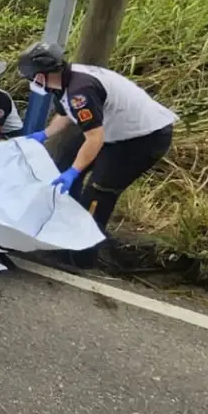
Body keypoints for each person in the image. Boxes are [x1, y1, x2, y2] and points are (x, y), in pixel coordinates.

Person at [19, 41, 178, 259]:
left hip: (142, 138)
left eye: (32, 76)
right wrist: (45, 134)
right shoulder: (62, 80)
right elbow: (65, 114)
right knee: (62, 164)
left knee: (98, 192)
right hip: (112, 132)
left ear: (44, 73)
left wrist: (74, 171)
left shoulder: (80, 91)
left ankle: (82, 255)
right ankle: (64, 230)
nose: (32, 81)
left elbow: (94, 138)